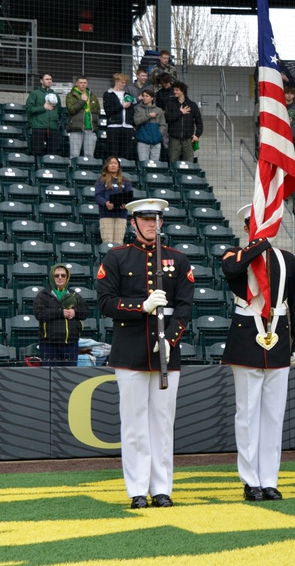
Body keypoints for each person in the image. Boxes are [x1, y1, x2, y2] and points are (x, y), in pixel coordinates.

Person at [97, 198, 194, 509]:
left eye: (157, 218)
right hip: (130, 352)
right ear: (133, 222)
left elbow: (185, 307)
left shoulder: (178, 260)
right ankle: (138, 488)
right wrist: (141, 306)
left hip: (166, 352)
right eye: (146, 218)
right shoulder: (117, 257)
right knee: (135, 423)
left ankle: (162, 488)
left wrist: (171, 339)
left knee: (163, 424)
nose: (152, 223)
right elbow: (105, 302)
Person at [221, 205, 295, 503]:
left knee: (273, 414)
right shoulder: (235, 254)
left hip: (278, 339)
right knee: (247, 414)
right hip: (247, 339)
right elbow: (232, 271)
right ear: (246, 228)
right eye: (254, 225)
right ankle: (250, 479)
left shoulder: (287, 259)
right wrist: (258, 245)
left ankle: (269, 479)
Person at [33, 263, 89, 366]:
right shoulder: (43, 295)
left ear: (67, 277)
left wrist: (75, 312)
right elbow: (39, 314)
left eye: (63, 275)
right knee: (51, 377)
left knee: (70, 377)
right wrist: (60, 313)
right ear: (51, 277)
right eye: (56, 275)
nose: (60, 278)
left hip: (71, 344)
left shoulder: (74, 295)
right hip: (49, 345)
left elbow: (85, 312)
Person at [95, 156, 133, 245]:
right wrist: (106, 203)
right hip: (106, 215)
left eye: (115, 163)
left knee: (119, 243)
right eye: (111, 163)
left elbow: (129, 196)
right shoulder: (101, 181)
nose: (113, 165)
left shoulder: (125, 181)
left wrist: (126, 204)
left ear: (118, 166)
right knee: (108, 242)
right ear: (107, 166)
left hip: (121, 215)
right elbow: (98, 196)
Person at [165, 81, 202, 162]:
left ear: (183, 91)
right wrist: (180, 113)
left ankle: (188, 175)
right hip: (174, 138)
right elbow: (167, 118)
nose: (174, 92)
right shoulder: (170, 104)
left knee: (189, 161)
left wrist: (197, 135)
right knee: (173, 160)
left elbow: (199, 122)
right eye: (174, 90)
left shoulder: (192, 105)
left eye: (177, 90)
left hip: (188, 138)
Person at [25, 72, 61, 156]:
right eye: (47, 79)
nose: (49, 81)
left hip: (52, 127)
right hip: (38, 127)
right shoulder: (35, 94)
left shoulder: (56, 95)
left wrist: (55, 120)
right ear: (41, 81)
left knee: (53, 153)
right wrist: (43, 108)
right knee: (37, 152)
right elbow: (29, 109)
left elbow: (59, 111)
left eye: (50, 79)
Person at [104, 73, 137, 161]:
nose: (124, 84)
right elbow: (108, 111)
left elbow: (132, 111)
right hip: (114, 126)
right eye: (122, 82)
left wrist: (132, 124)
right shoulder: (108, 94)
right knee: (113, 153)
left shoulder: (127, 95)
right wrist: (122, 106)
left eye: (125, 83)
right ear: (116, 81)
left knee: (126, 153)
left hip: (127, 127)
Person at [65, 75, 100, 159]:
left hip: (90, 128)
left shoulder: (92, 95)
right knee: (74, 154)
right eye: (81, 83)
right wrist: (82, 100)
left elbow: (97, 111)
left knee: (90, 155)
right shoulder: (71, 95)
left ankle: (88, 171)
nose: (83, 85)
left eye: (85, 83)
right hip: (76, 128)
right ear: (76, 83)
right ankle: (74, 171)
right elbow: (71, 109)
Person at [134, 88, 167, 162]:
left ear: (152, 98)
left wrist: (159, 134)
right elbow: (136, 121)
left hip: (156, 141)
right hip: (142, 141)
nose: (144, 98)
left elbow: (163, 125)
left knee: (155, 164)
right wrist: (149, 116)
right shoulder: (138, 109)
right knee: (143, 163)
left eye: (147, 96)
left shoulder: (159, 110)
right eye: (143, 96)